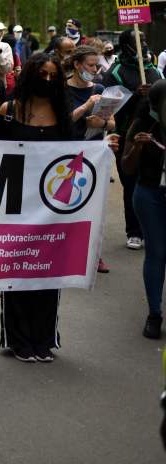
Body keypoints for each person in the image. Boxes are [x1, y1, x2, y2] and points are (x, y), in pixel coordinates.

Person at [0, 53, 118, 362]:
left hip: (52, 209)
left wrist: (104, 146)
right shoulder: (11, 111)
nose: (47, 81)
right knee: (18, 272)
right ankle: (19, 339)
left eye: (52, 76)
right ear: (30, 77)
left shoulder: (63, 115)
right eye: (42, 75)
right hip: (16, 206)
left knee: (49, 272)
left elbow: (77, 153)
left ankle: (45, 339)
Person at [104, 28, 163, 250]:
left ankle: (152, 230)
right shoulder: (116, 72)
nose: (144, 43)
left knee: (154, 184)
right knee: (131, 184)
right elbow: (109, 106)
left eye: (145, 39)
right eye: (138, 40)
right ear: (126, 44)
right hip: (126, 135)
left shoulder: (154, 70)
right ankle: (134, 231)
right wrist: (134, 95)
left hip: (155, 138)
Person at [122, 80, 166, 339]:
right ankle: (154, 313)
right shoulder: (142, 126)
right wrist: (137, 147)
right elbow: (127, 168)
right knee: (157, 253)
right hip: (149, 195)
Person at [66, 45, 114, 273]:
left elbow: (112, 122)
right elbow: (63, 121)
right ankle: (63, 250)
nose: (95, 70)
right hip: (66, 154)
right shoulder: (63, 89)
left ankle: (94, 254)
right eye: (91, 65)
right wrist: (86, 106)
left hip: (94, 155)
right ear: (77, 65)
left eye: (97, 65)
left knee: (93, 207)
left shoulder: (101, 88)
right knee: (67, 204)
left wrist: (102, 124)